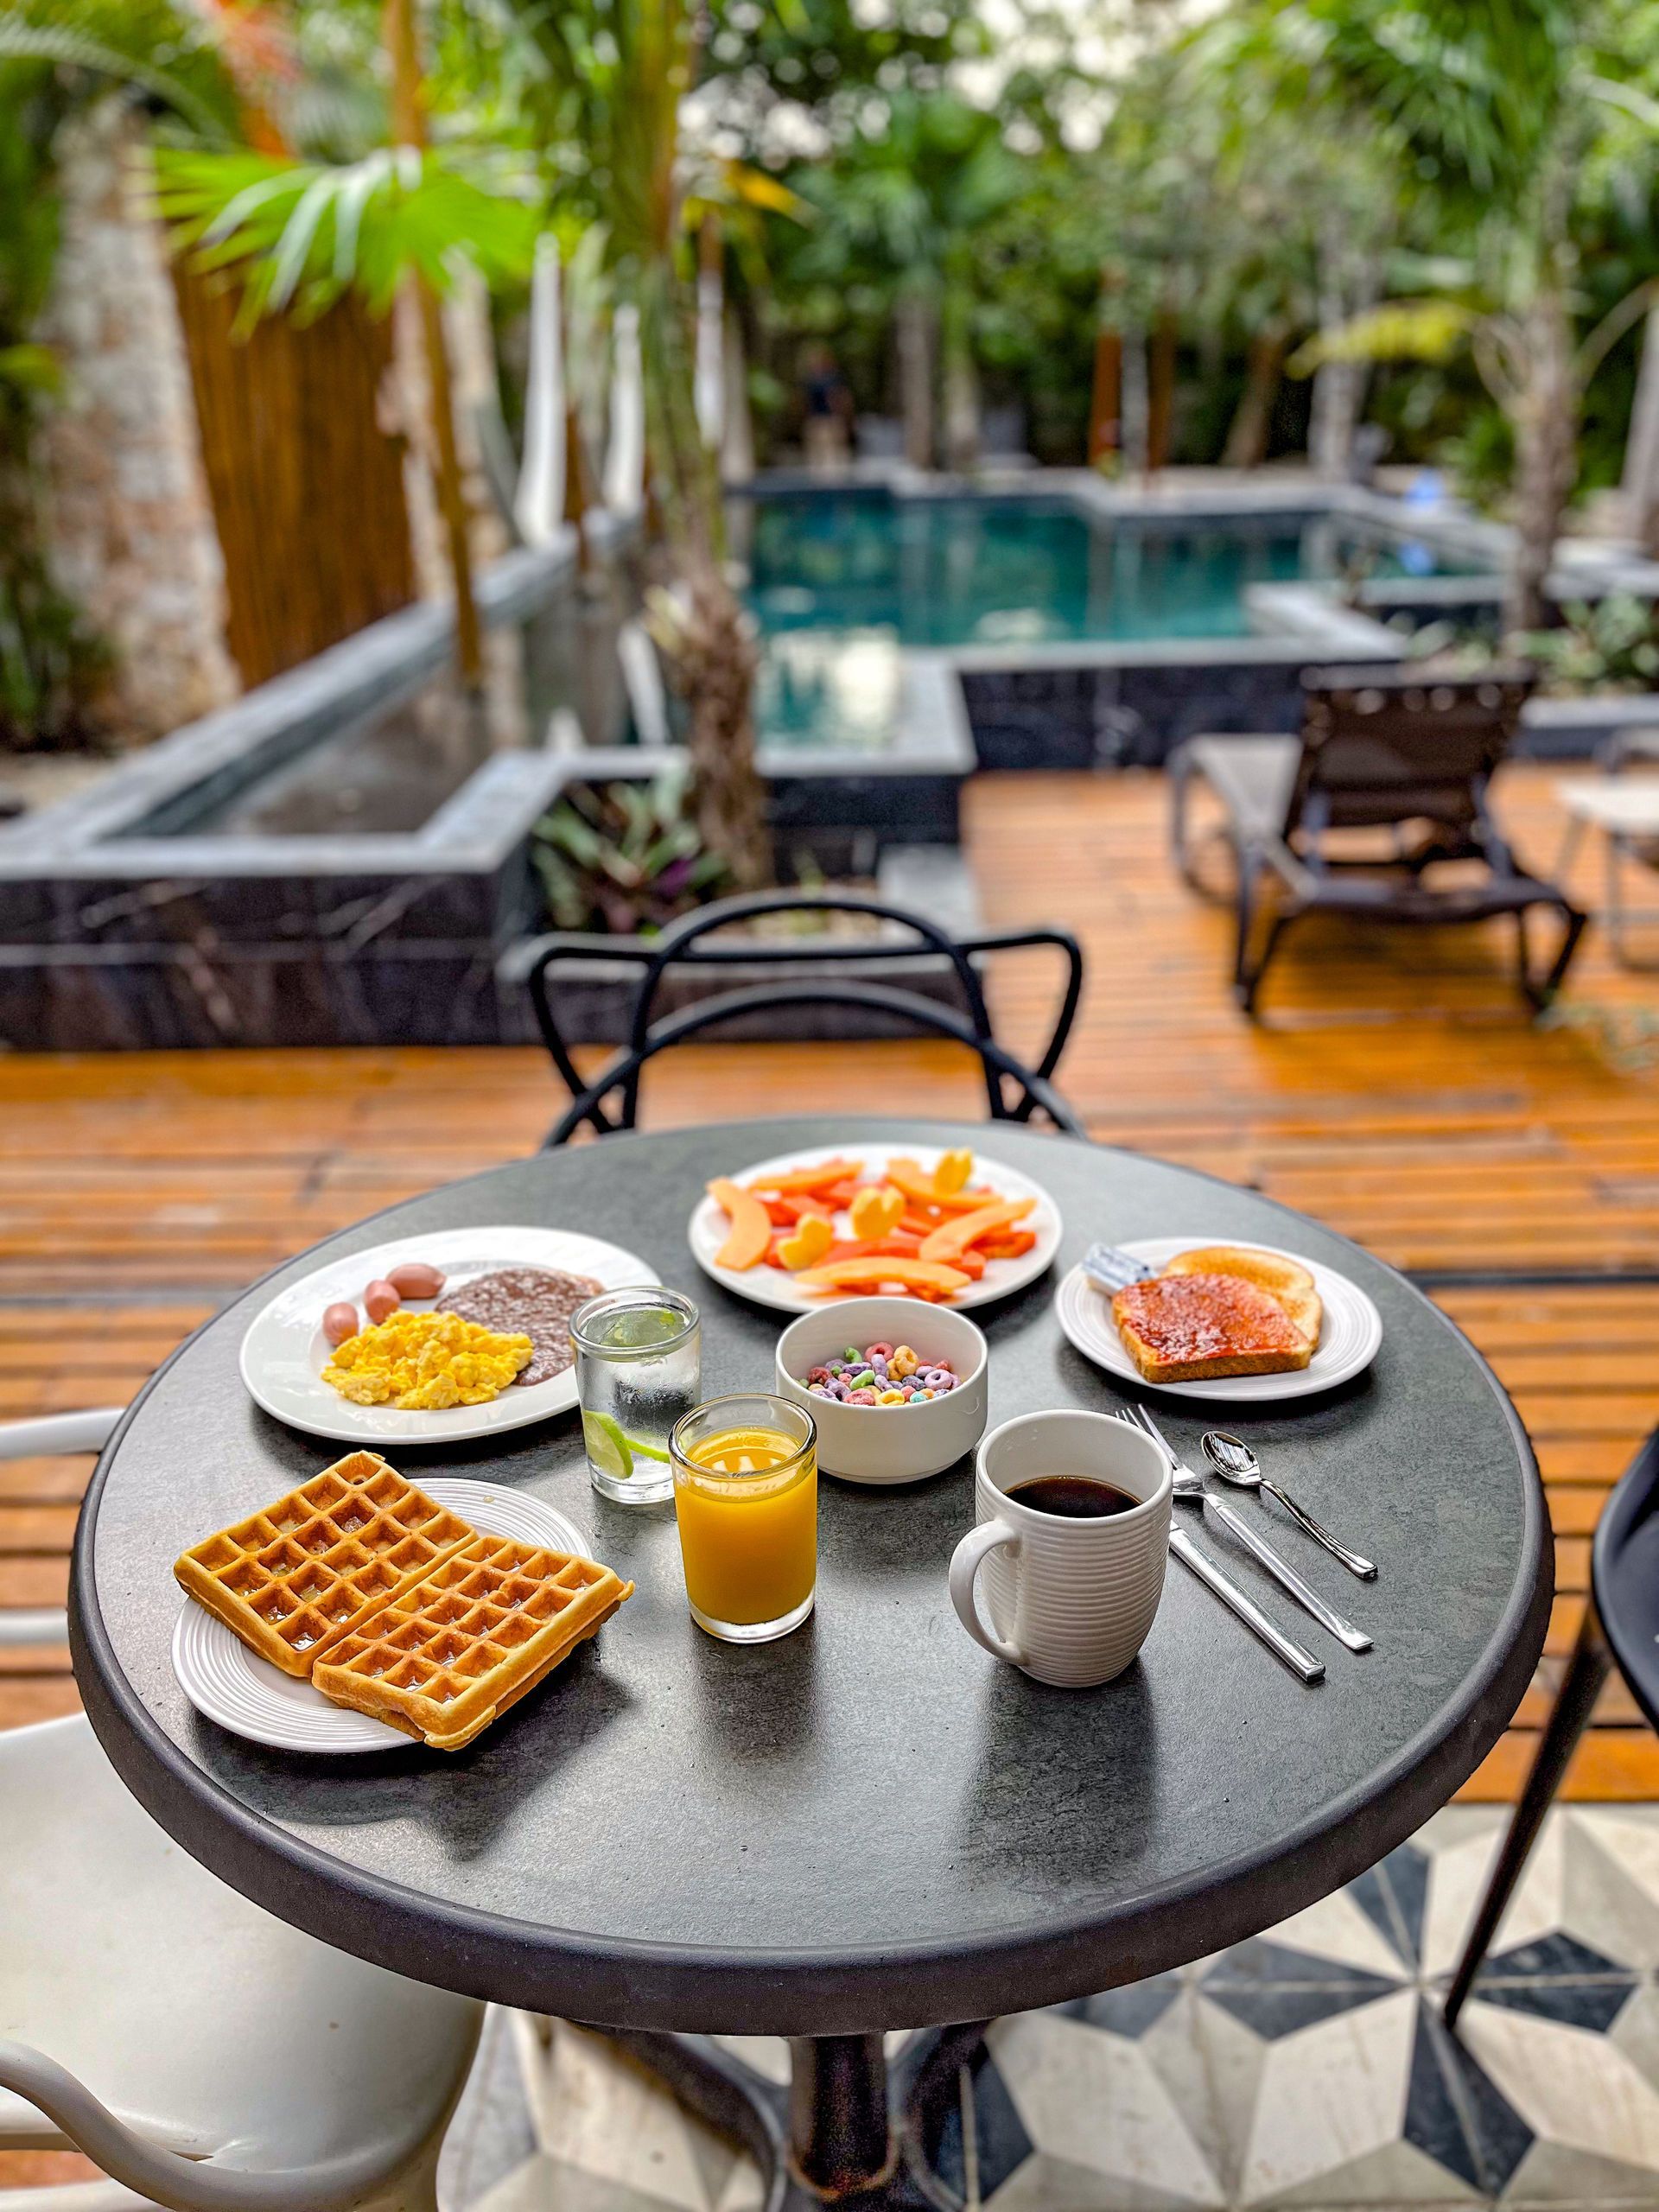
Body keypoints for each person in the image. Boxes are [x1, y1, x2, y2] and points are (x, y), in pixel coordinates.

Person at [801, 345, 853, 472]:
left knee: (833, 451)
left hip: (830, 419)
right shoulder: (810, 380)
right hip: (816, 419)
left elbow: (841, 398)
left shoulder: (833, 379)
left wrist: (842, 415)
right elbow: (805, 402)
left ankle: (834, 475)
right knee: (816, 452)